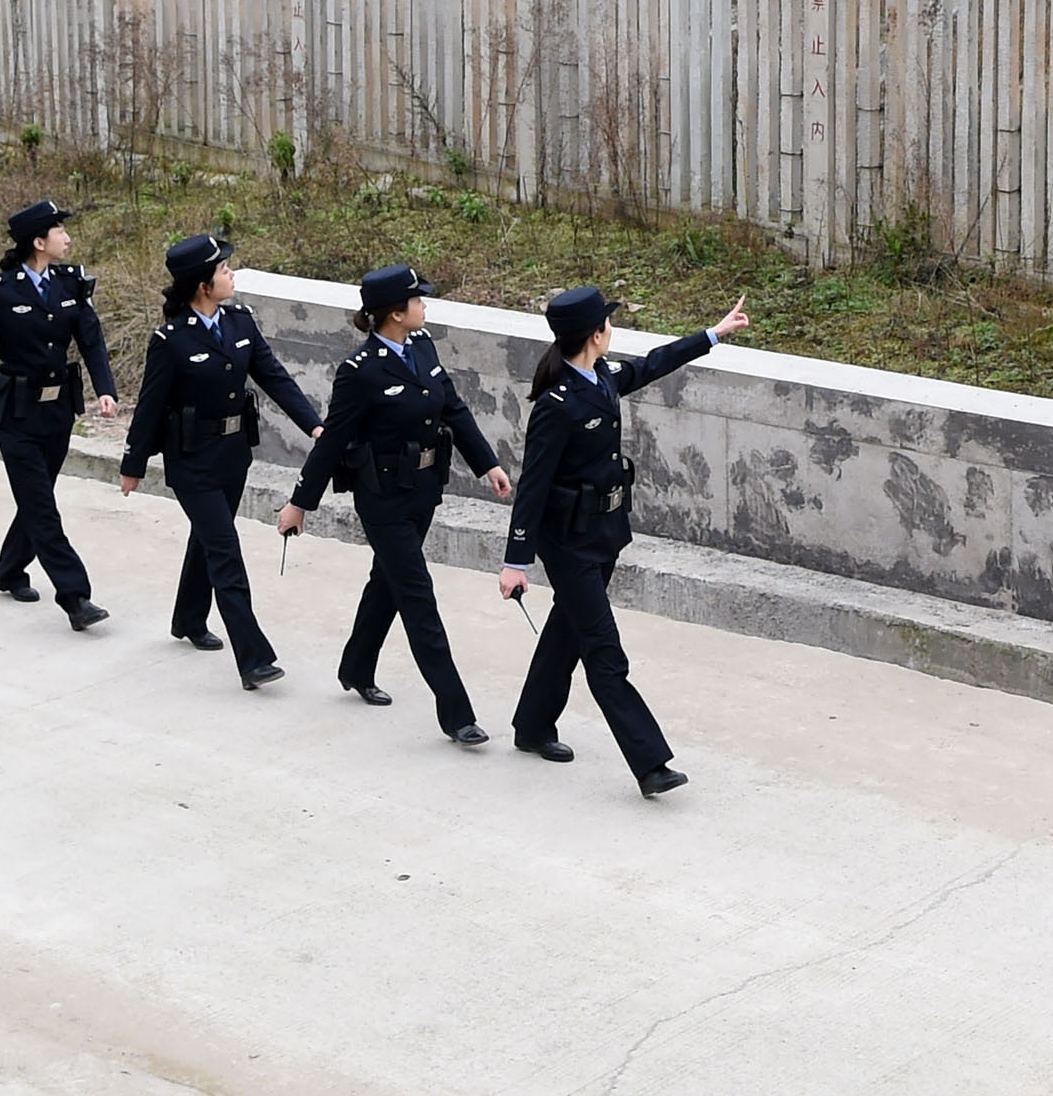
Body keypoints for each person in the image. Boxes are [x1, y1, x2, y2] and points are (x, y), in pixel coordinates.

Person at [500, 285, 749, 799]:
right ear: (595, 334)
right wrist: (516, 560)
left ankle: (531, 725)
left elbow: (654, 364)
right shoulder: (557, 404)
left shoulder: (602, 376)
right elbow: (534, 485)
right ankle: (650, 763)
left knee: (567, 631)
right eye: (609, 323)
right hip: (568, 543)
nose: (614, 328)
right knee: (604, 654)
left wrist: (713, 335)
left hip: (604, 533)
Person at [276, 266, 510, 747]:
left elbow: (455, 410)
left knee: (388, 581)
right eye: (417, 301)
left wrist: (487, 465)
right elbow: (331, 440)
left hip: (423, 489)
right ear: (396, 314)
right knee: (418, 595)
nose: (425, 306)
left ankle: (356, 667)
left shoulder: (423, 347)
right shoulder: (359, 372)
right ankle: (456, 713)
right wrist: (300, 504)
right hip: (381, 498)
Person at [120, 235, 321, 689]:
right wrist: (133, 463)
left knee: (209, 540)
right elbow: (150, 405)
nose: (231, 274)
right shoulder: (171, 340)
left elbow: (274, 376)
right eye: (223, 270)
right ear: (202, 286)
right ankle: (253, 658)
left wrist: (313, 425)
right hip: (191, 461)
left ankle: (188, 618)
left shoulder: (239, 322)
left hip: (233, 456)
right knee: (226, 551)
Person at [0, 199, 119, 631]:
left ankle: (10, 570)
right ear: (38, 241)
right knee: (42, 505)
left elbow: (90, 340)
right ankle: (75, 597)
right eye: (59, 232)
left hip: (59, 412)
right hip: (15, 414)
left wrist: (105, 389)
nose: (67, 238)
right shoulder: (0, 291)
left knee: (37, 498)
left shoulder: (70, 282)